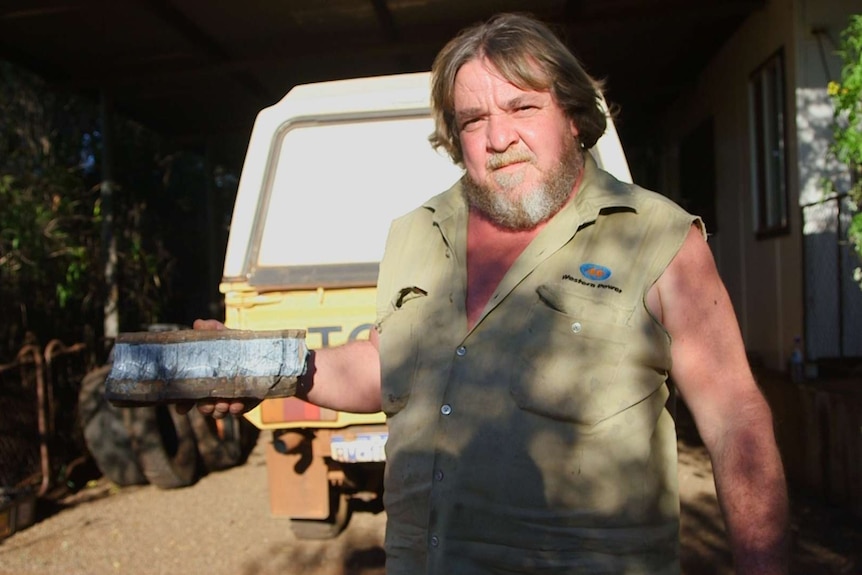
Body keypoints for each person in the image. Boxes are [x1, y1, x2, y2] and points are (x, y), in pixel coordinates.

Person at [189, 12, 789, 575]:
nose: (499, 137)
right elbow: (385, 362)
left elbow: (736, 421)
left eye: (523, 107)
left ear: (574, 117)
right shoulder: (416, 233)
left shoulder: (657, 237)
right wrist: (263, 365)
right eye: (474, 119)